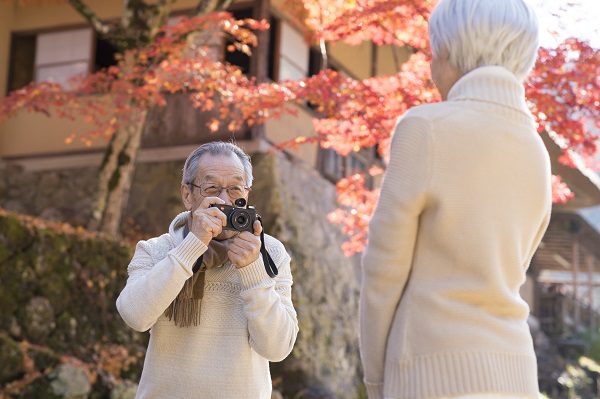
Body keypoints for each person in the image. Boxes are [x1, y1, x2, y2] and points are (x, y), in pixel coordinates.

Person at [359, 1, 550, 398]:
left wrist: (375, 379)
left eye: (433, 52)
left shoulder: (425, 127)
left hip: (433, 371)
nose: (431, 67)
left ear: (447, 51)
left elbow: (383, 271)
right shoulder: (536, 150)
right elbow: (516, 265)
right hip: (517, 373)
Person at [116, 141, 298, 399]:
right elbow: (134, 315)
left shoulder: (269, 252)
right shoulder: (156, 250)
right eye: (211, 187)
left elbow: (277, 347)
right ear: (187, 195)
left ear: (247, 193)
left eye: (235, 189)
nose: (224, 200)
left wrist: (253, 271)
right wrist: (191, 247)